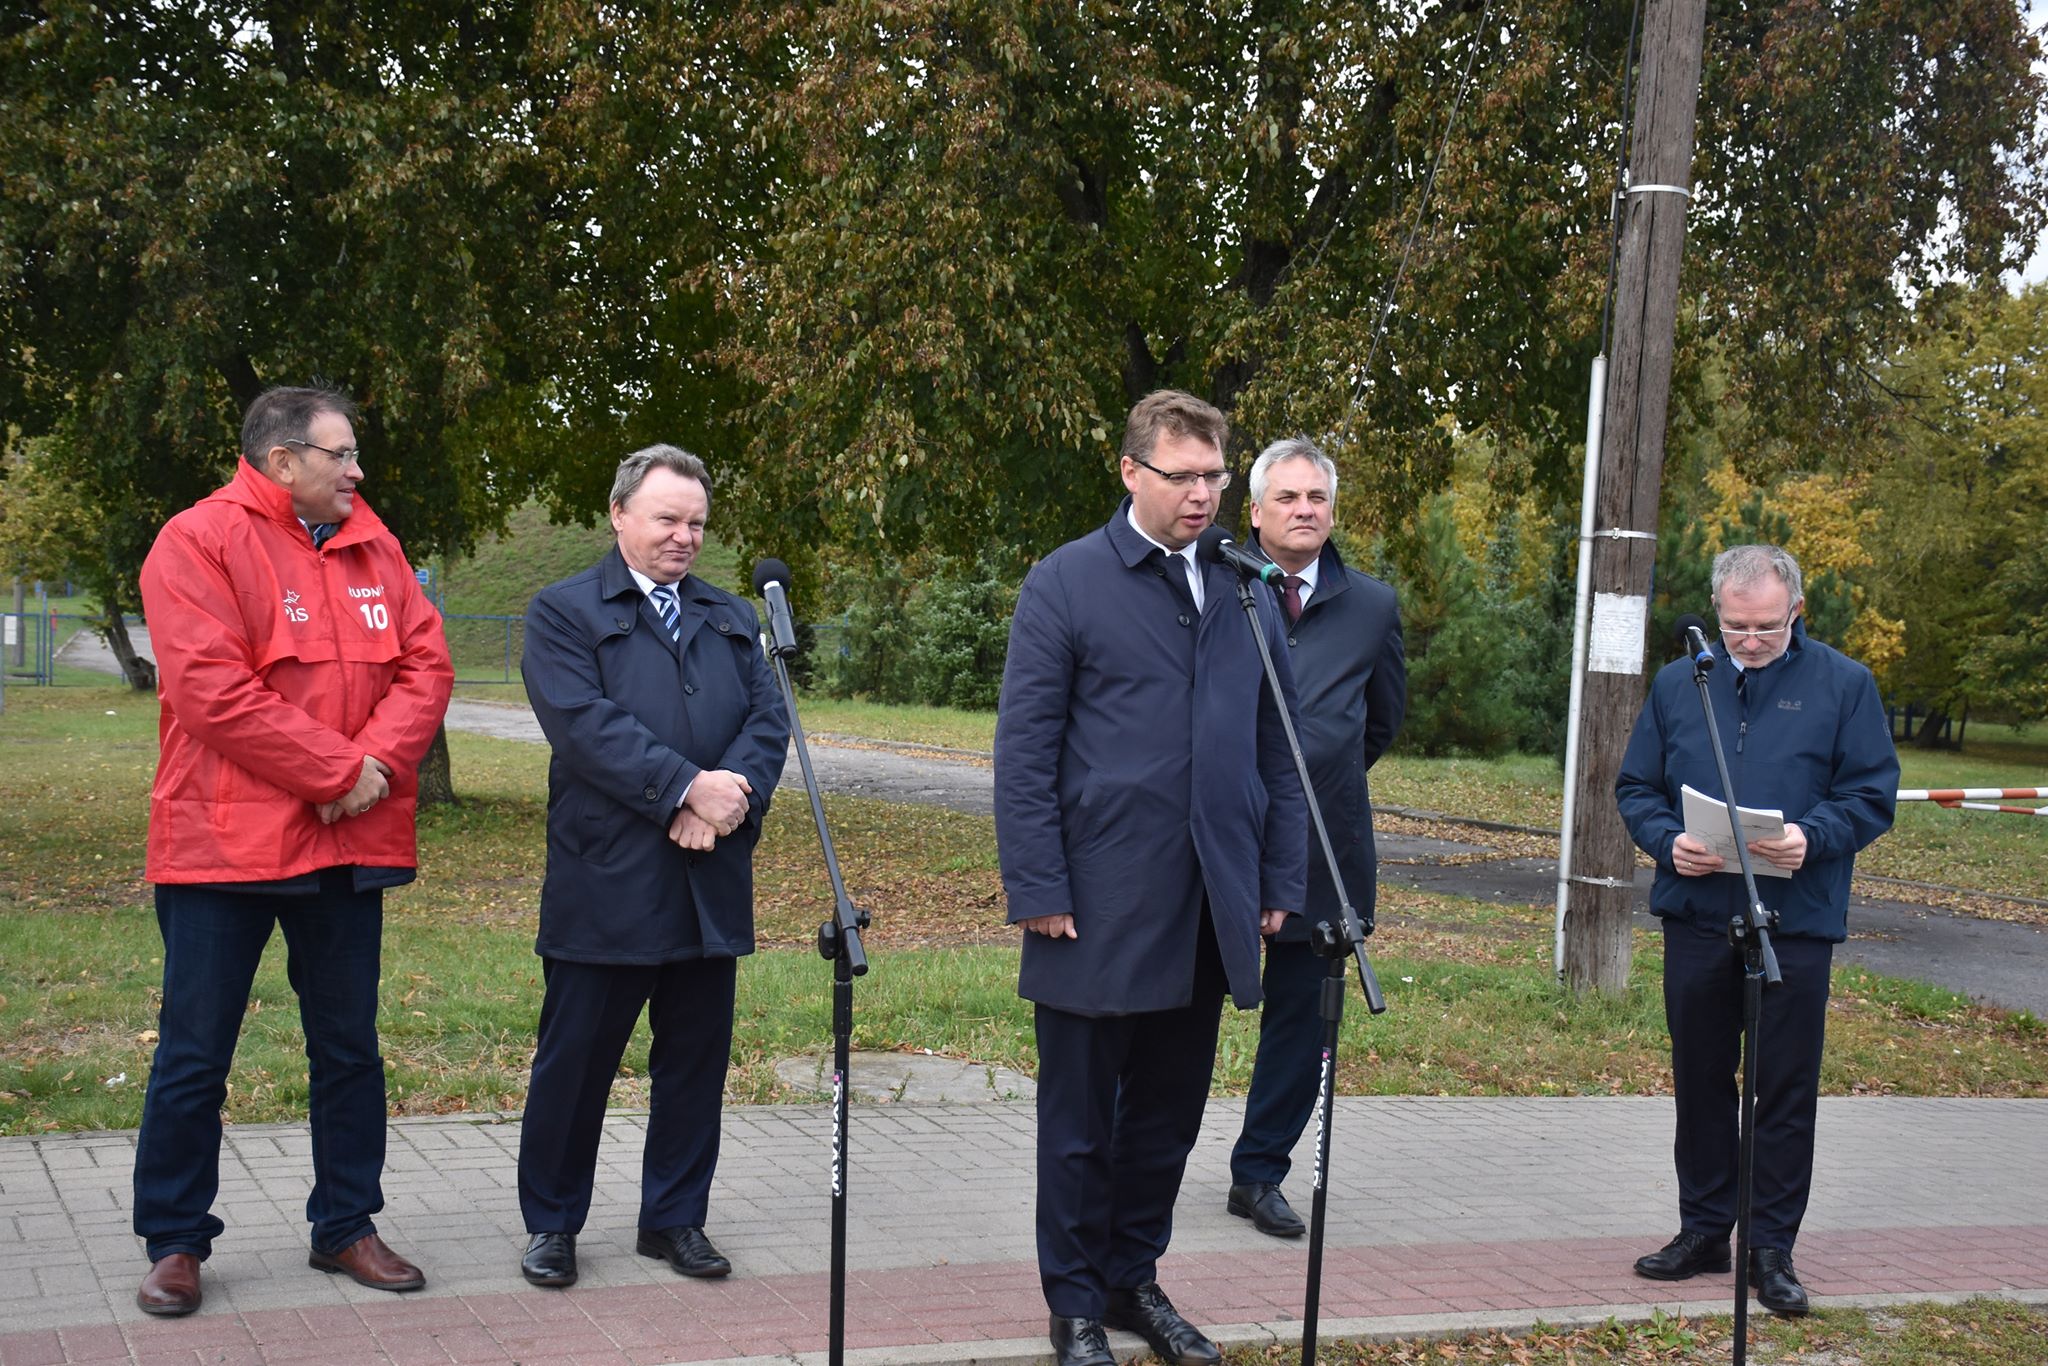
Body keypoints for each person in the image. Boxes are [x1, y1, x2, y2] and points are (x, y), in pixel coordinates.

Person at [995, 390, 1307, 1366]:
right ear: (1131, 472)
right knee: (1081, 1127)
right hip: (1092, 906)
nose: (1203, 495)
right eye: (1183, 476)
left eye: (1215, 476)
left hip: (1208, 907)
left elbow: (1281, 748)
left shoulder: (1243, 586)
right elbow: (1023, 751)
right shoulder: (1067, 582)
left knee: (1165, 1123)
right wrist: (1037, 884)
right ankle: (1074, 1305)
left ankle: (1133, 1280)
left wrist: (1276, 873)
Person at [131, 385, 454, 1317]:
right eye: (341, 454)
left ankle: (347, 1224)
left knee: (349, 1048)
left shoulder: (373, 541)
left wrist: (375, 768)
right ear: (282, 461)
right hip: (221, 849)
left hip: (346, 846)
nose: (358, 471)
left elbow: (425, 666)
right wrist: (333, 771)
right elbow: (209, 689)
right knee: (196, 1052)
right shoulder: (197, 539)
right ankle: (176, 1241)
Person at [515, 445, 786, 1289]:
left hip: (708, 885)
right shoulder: (562, 612)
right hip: (609, 881)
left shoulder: (733, 616)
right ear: (619, 515)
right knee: (576, 1068)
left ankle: (675, 1218)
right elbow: (581, 724)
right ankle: (553, 1226)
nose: (685, 536)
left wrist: (730, 797)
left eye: (697, 522)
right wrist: (682, 794)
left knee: (695, 1066)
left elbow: (769, 724)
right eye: (668, 518)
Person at [1616, 544, 1897, 1317]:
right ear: (1715, 616)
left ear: (1796, 613)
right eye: (1736, 626)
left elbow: (1873, 793)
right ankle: (1704, 1230)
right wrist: (1663, 838)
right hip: (1699, 914)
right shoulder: (1681, 684)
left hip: (1794, 920)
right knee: (1701, 1082)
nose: (1749, 641)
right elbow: (1636, 786)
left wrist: (1815, 835)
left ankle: (1771, 1247)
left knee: (1783, 1090)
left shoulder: (1845, 685)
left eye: (1766, 627)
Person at [1225, 437, 1405, 1238]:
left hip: (1324, 846)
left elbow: (1382, 720)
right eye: (1288, 498)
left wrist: (1317, 776)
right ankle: (1139, 1163)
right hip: (1221, 836)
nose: (1304, 511)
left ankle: (1259, 1173)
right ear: (1256, 511)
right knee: (1178, 1007)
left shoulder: (1372, 606)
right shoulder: (1213, 586)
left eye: (1317, 499)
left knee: (1301, 1020)